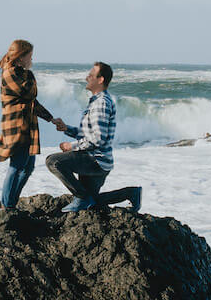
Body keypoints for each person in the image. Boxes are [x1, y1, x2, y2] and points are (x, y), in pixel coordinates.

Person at [46, 61, 142, 213]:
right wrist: (67, 129)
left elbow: (98, 139)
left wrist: (71, 146)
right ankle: (130, 193)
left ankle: (82, 197)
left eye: (91, 75)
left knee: (53, 161)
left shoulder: (101, 103)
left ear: (100, 80)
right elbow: (90, 134)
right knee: (91, 202)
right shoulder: (98, 101)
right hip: (100, 161)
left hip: (95, 160)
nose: (87, 78)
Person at [0, 39, 57, 209]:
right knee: (17, 166)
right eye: (30, 56)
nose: (32, 60)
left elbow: (32, 102)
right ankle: (7, 206)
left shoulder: (21, 73)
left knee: (28, 167)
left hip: (26, 125)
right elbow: (29, 94)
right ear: (21, 57)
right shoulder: (9, 73)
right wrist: (30, 74)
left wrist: (50, 118)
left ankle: (11, 203)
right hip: (16, 126)